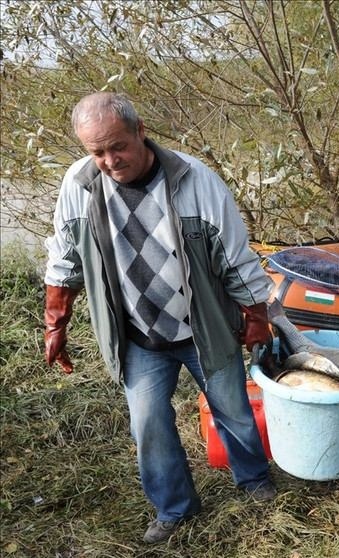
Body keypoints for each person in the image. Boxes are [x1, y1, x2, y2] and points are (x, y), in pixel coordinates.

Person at [43, 92, 277, 544]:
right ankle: (174, 507)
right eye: (96, 152)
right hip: (139, 335)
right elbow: (64, 259)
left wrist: (255, 318)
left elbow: (235, 259)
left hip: (203, 328)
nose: (110, 160)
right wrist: (56, 323)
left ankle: (253, 481)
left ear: (140, 131)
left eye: (118, 146)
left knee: (232, 408)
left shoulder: (195, 180)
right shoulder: (79, 184)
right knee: (147, 424)